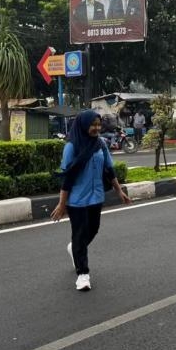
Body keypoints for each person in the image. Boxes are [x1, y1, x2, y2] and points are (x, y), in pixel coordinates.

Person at [51, 110, 131, 291]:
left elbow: (109, 169)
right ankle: (83, 274)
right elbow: (67, 177)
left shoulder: (100, 144)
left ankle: (76, 248)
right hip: (77, 200)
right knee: (80, 234)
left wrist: (119, 191)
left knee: (93, 230)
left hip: (96, 196)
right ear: (83, 125)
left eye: (98, 124)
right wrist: (62, 204)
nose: (96, 128)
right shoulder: (72, 147)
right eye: (92, 124)